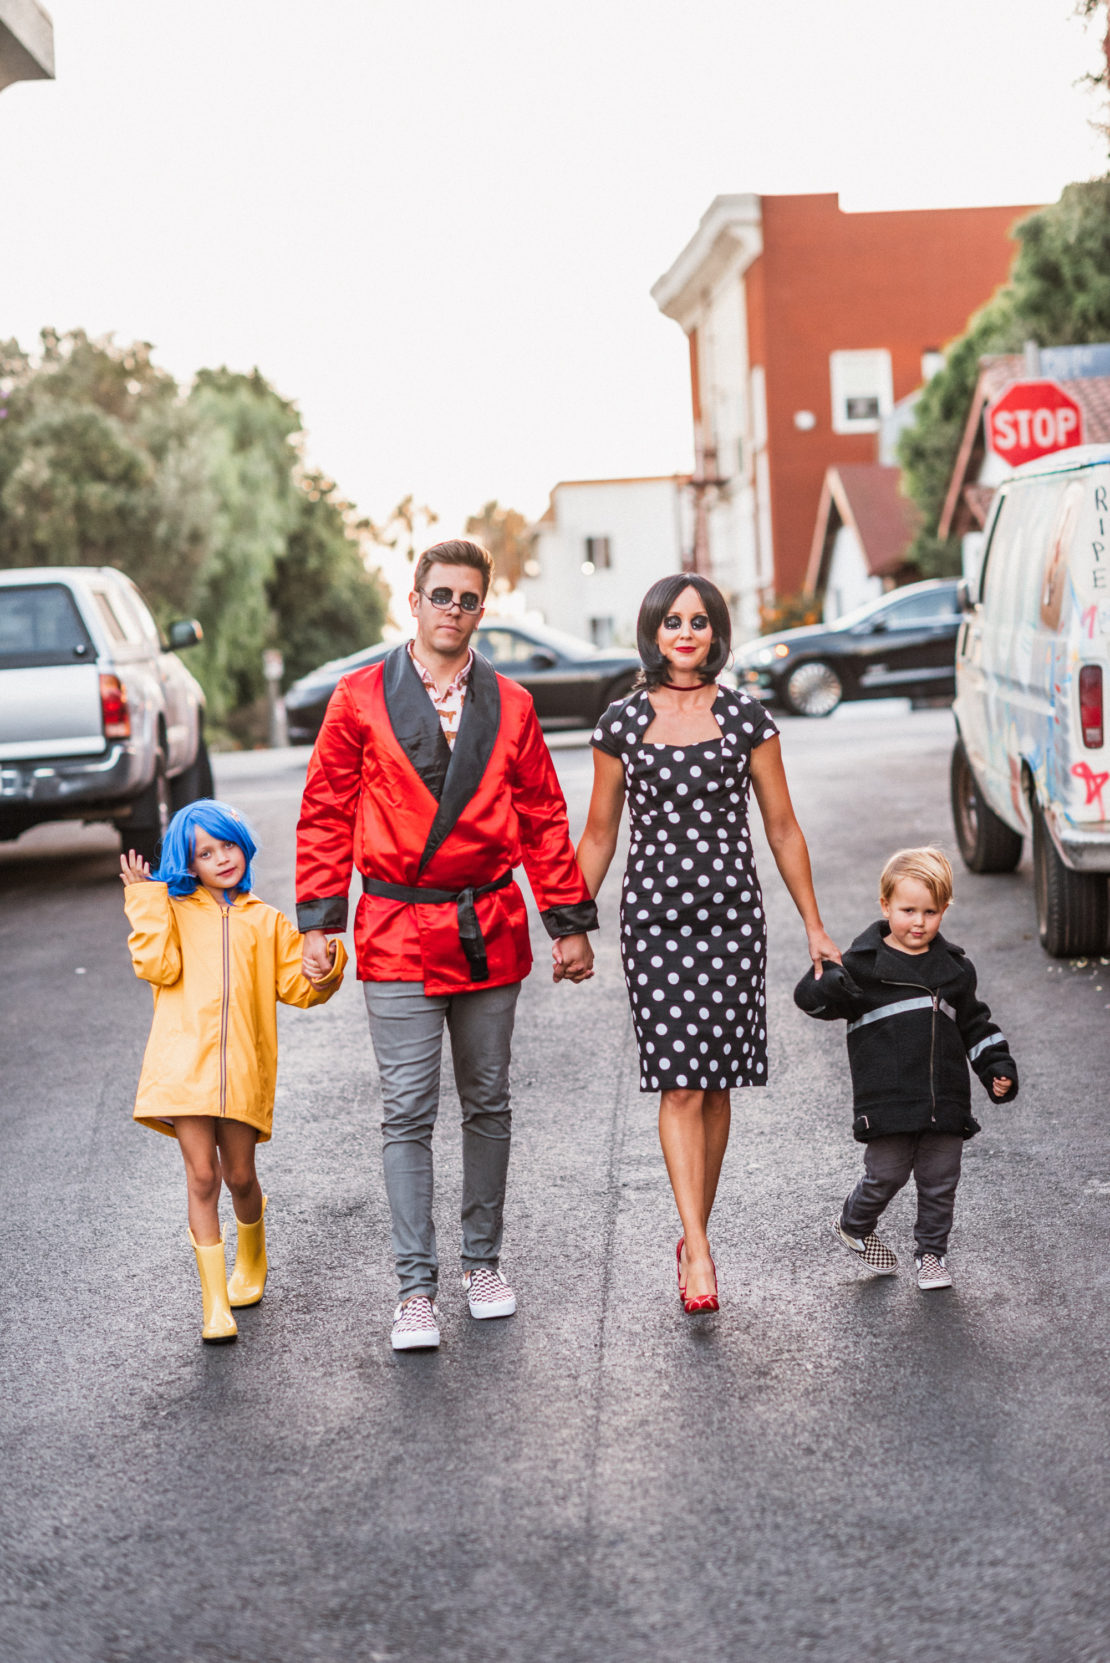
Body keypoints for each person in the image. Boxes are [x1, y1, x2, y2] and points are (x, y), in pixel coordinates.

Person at [296, 538, 597, 1351]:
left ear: (483, 608)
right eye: (440, 596)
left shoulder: (514, 705)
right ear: (413, 600)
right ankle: (414, 1288)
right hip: (395, 928)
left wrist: (566, 922)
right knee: (407, 1111)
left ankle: (483, 1262)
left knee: (490, 1100)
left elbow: (541, 817)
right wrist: (320, 922)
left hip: (487, 926)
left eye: (468, 598)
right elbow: (325, 809)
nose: (453, 610)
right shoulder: (357, 699)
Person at [573, 574, 839, 1313]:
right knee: (679, 1081)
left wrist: (814, 923)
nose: (685, 632)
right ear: (652, 632)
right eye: (671, 621)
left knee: (716, 1081)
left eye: (698, 621)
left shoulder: (748, 717)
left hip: (731, 920)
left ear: (716, 632)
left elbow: (782, 828)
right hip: (655, 923)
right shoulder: (620, 723)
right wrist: (570, 920)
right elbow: (599, 834)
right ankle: (700, 1246)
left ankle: (694, 1235)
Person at [121, 799, 346, 1344]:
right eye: (205, 852)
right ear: (188, 862)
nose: (221, 858)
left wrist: (326, 966)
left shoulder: (265, 921)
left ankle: (253, 1257)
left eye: (227, 845)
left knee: (240, 1177)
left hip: (242, 1069)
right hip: (183, 1067)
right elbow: (157, 966)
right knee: (203, 1177)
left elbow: (298, 988)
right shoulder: (171, 911)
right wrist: (145, 899)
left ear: (243, 848)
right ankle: (214, 1303)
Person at [794, 846, 1018, 1290]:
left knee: (940, 1181)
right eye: (908, 910)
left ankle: (931, 1256)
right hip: (888, 1099)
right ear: (885, 906)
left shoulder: (954, 970)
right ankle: (854, 1225)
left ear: (944, 910)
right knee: (887, 1174)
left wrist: (996, 1066)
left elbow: (976, 1024)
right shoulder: (862, 966)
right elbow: (814, 1003)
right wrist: (824, 983)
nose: (919, 922)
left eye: (930, 912)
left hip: (945, 1099)